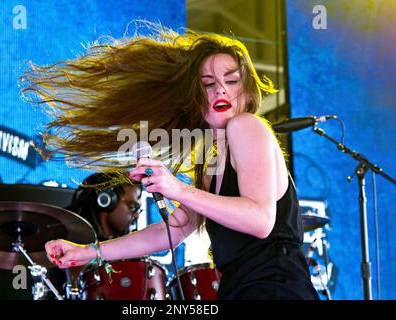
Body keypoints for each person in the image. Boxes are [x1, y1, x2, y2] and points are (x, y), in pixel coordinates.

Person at [26, 22, 319, 299]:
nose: (220, 89)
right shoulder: (210, 161)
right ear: (195, 96)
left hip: (276, 288)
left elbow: (260, 220)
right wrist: (89, 252)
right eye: (208, 83)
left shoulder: (246, 126)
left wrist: (175, 188)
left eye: (231, 80)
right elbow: (171, 232)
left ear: (246, 90)